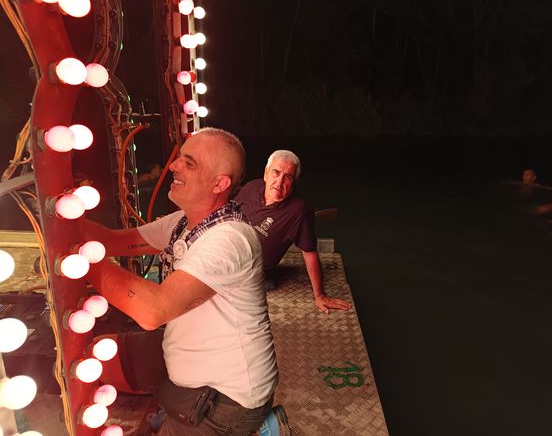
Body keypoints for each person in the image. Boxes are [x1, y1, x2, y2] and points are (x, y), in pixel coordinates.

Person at [83, 128, 278, 435]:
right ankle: (165, 409)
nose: (173, 166)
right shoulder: (184, 222)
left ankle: (253, 426)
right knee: (100, 353)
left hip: (228, 400)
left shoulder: (230, 239)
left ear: (219, 183)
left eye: (189, 163)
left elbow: (152, 311)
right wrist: (66, 226)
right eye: (179, 158)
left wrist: (79, 257)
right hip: (188, 354)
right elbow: (114, 241)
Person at [234, 149, 352, 314]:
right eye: (276, 172)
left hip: (253, 275)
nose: (279, 181)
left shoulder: (299, 211)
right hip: (228, 256)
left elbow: (309, 253)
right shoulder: (251, 187)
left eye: (288, 177)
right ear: (266, 173)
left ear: (294, 182)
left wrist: (320, 295)